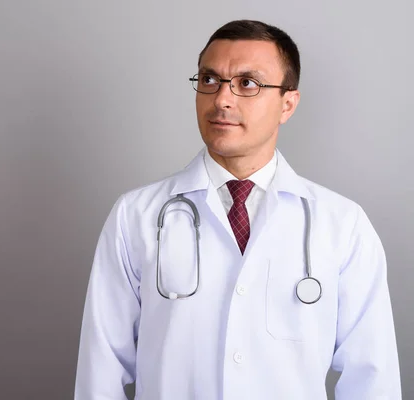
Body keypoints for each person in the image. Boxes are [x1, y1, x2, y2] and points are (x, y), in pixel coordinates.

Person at [74, 20, 401, 399]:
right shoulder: (137, 215)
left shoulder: (342, 225)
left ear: (287, 104)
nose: (222, 99)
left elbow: (372, 377)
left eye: (247, 83)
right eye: (210, 80)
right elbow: (101, 367)